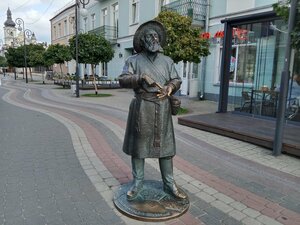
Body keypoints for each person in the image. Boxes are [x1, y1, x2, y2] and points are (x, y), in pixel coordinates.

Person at [118, 21, 187, 201]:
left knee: (165, 147)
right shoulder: (132, 60)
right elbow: (122, 80)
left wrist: (170, 88)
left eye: (156, 36)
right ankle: (138, 182)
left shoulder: (167, 61)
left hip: (163, 107)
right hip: (142, 108)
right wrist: (139, 78)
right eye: (150, 36)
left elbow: (177, 79)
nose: (154, 39)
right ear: (143, 40)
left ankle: (169, 183)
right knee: (139, 148)